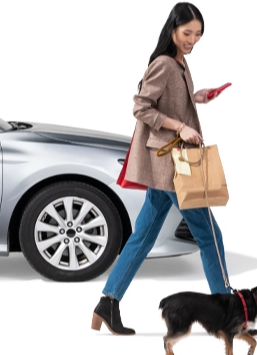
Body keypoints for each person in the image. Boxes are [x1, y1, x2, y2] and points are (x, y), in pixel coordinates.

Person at [91, 2, 241, 336]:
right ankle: (227, 314)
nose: (192, 40)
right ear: (172, 28)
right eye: (187, 32)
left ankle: (108, 301)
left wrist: (195, 97)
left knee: (142, 237)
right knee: (210, 236)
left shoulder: (179, 63)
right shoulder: (163, 63)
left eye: (198, 34)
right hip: (173, 167)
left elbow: (168, 99)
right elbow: (141, 107)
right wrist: (180, 127)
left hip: (166, 169)